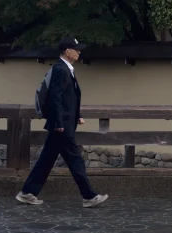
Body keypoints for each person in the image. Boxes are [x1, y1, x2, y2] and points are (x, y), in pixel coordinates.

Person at [16, 37, 108, 208]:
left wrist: (77, 114)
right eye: (76, 49)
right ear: (67, 52)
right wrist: (59, 122)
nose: (79, 51)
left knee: (46, 160)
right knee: (75, 160)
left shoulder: (66, 69)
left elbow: (68, 98)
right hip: (61, 126)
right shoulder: (61, 69)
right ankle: (89, 196)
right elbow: (55, 98)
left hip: (63, 123)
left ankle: (27, 193)